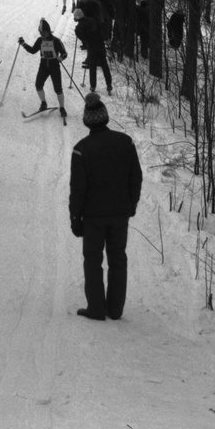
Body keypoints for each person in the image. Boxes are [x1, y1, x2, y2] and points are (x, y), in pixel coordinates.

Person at [69, 93, 142, 321]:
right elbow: (136, 177)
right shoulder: (125, 142)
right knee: (118, 258)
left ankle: (96, 308)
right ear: (105, 117)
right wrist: (131, 203)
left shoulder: (81, 149)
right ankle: (115, 309)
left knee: (93, 260)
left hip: (93, 218)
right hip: (120, 214)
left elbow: (78, 189)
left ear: (87, 121)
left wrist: (75, 218)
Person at [18, 19, 68, 118]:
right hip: (43, 65)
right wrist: (23, 44)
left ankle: (62, 108)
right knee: (38, 85)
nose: (42, 34)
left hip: (54, 66)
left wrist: (61, 58)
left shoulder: (56, 41)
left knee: (58, 88)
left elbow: (64, 53)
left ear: (48, 31)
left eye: (44, 32)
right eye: (40, 32)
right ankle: (43, 103)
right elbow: (33, 50)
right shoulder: (40, 40)